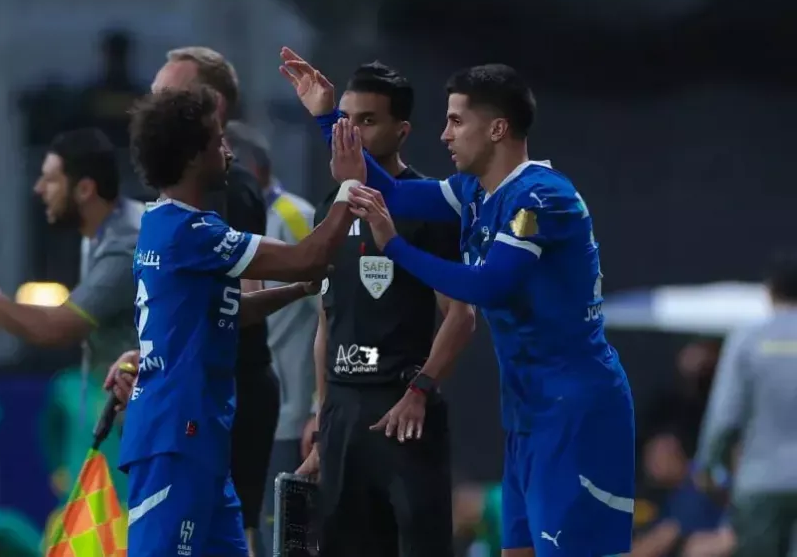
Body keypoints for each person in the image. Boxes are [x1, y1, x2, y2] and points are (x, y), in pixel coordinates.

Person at [280, 49, 635, 557]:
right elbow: (392, 194)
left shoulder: (541, 198)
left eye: (456, 121)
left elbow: (488, 286)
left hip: (576, 410)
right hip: (527, 410)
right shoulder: (473, 191)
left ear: (497, 128)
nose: (444, 135)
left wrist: (394, 246)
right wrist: (325, 117)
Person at [116, 85, 361, 557]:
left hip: (201, 438)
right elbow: (308, 256)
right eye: (218, 140)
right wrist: (349, 186)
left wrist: (296, 290)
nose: (228, 151)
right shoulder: (191, 233)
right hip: (174, 438)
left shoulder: (164, 223)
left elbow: (231, 312)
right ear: (193, 156)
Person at [290, 61, 476, 557]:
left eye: (368, 121)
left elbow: (461, 317)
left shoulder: (429, 208)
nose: (351, 133)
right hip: (342, 416)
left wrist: (419, 391)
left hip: (402, 412)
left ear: (402, 131)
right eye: (345, 120)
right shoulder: (330, 206)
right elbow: (326, 320)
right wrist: (322, 417)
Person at [148, 46, 281, 556]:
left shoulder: (230, 189)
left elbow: (244, 301)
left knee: (230, 534)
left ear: (213, 106)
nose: (155, 103)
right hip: (190, 396)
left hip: (233, 393)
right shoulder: (172, 196)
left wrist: (310, 271)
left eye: (168, 93)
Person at [0, 128, 143, 510]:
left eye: (50, 179)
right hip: (123, 418)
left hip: (146, 424)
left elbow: (55, 328)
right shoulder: (97, 232)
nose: (38, 189)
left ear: (84, 189)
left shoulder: (126, 243)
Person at [225, 120, 318, 557]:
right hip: (242, 409)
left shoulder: (294, 217)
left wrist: (318, 408)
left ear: (252, 169)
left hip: (289, 417)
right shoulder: (225, 229)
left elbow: (330, 311)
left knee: (279, 537)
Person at [696, 253, 797, 557]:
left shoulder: (748, 339)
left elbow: (725, 415)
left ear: (770, 290)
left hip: (760, 482)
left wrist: (709, 465)